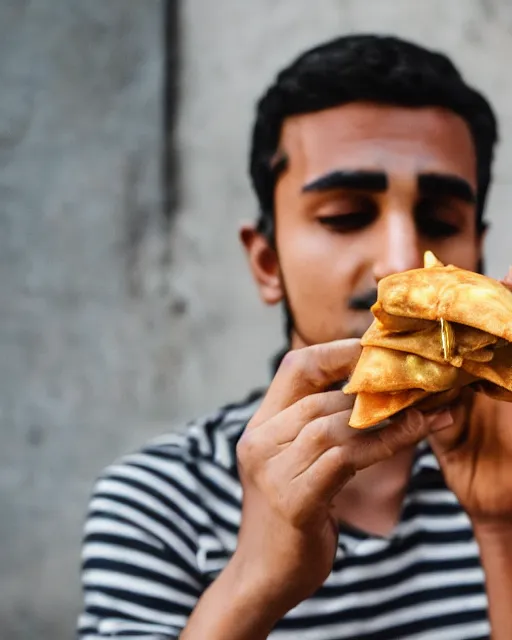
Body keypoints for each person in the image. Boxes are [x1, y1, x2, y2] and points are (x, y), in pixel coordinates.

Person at [77, 34, 512, 640]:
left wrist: (501, 532)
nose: (402, 260)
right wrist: (254, 582)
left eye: (440, 224)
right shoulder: (159, 501)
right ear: (266, 262)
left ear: (478, 253)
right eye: (344, 216)